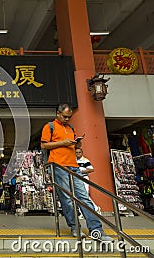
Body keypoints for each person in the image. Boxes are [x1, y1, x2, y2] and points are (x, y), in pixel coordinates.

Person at [40, 103, 113, 241]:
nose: (67, 119)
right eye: (65, 116)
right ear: (58, 113)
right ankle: (75, 228)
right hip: (59, 166)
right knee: (67, 199)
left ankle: (97, 230)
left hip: (74, 166)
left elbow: (71, 146)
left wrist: (76, 144)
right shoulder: (49, 126)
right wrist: (63, 143)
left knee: (84, 198)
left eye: (69, 117)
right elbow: (44, 145)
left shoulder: (71, 127)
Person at [75, 147, 101, 219]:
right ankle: (92, 209)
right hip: (77, 179)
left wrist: (81, 172)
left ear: (82, 153)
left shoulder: (85, 160)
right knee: (79, 196)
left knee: (84, 195)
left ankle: (94, 209)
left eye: (79, 152)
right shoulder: (74, 160)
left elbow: (91, 169)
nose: (78, 154)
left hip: (84, 178)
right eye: (76, 152)